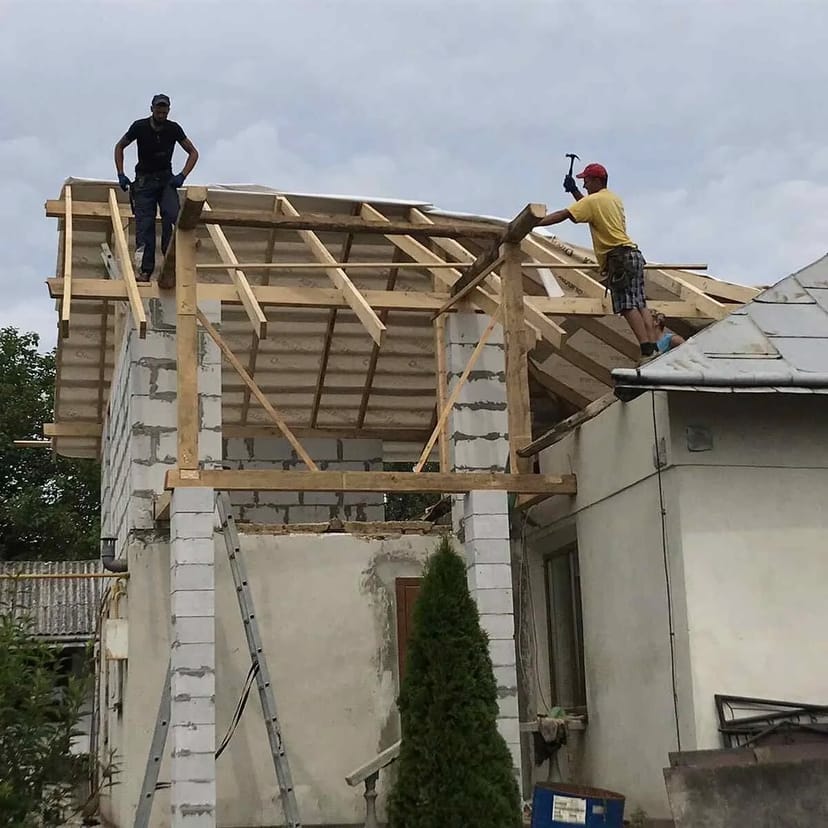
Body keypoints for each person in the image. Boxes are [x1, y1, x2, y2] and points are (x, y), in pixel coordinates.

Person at [538, 162, 660, 360]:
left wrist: (534, 223)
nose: (584, 184)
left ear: (596, 180)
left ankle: (646, 349)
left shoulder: (593, 201)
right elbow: (589, 210)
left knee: (627, 305)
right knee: (640, 303)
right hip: (634, 255)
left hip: (619, 259)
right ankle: (654, 347)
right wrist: (574, 191)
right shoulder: (613, 199)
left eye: (586, 180)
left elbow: (565, 214)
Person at [114, 94, 199, 281]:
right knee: (145, 226)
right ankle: (145, 271)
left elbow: (193, 152)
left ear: (168, 110)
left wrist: (182, 175)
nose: (161, 113)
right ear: (151, 109)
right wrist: (121, 173)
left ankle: (172, 263)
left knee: (172, 217)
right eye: (158, 109)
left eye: (164, 110)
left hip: (166, 180)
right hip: (144, 182)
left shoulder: (173, 129)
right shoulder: (140, 127)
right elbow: (120, 146)